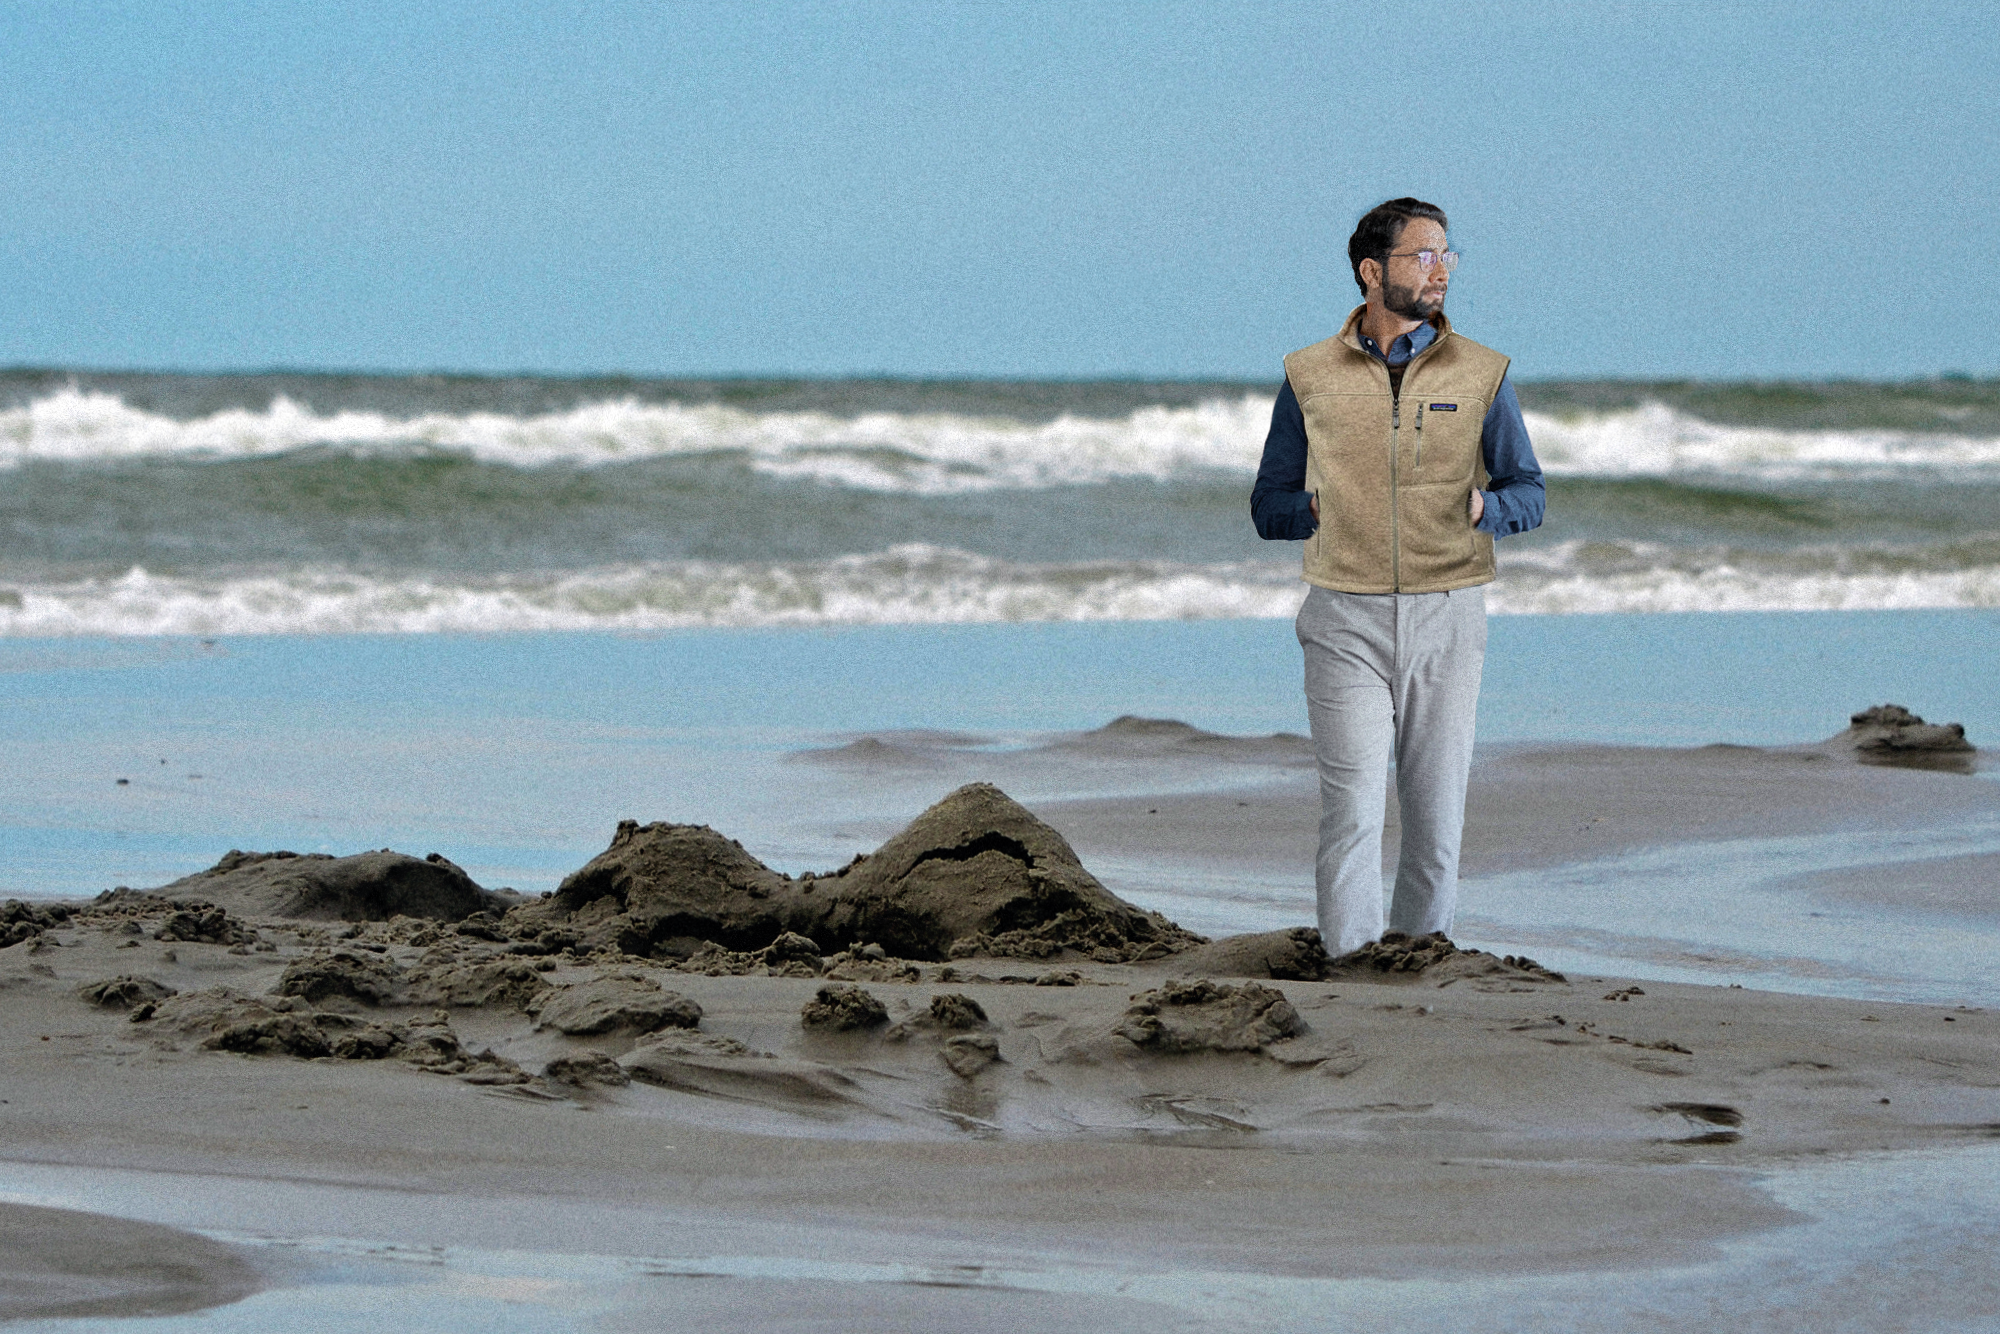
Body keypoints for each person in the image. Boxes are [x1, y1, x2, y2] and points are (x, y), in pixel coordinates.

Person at [1250, 197, 1544, 956]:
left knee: (1436, 815)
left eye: (1447, 254)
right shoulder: (1308, 374)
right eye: (1421, 255)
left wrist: (1492, 509)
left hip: (1449, 612)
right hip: (1342, 617)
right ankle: (1350, 966)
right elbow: (1266, 504)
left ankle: (1420, 958)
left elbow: (1530, 491)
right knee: (1351, 811)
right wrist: (1311, 511)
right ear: (1372, 272)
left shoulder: (1484, 372)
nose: (1440, 269)